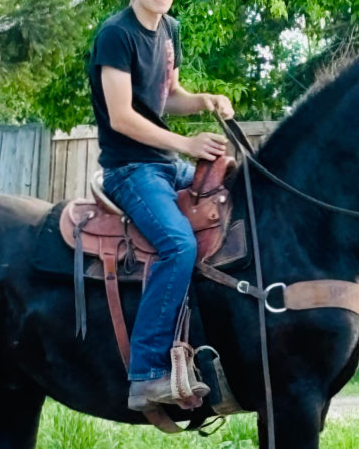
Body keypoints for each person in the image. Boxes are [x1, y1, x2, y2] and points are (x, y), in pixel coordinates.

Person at [89, 0, 235, 411]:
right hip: (130, 170)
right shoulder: (116, 34)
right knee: (178, 244)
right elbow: (121, 117)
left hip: (166, 165)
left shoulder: (169, 28)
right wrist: (187, 145)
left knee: (233, 195)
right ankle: (147, 373)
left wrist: (205, 99)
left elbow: (167, 96)